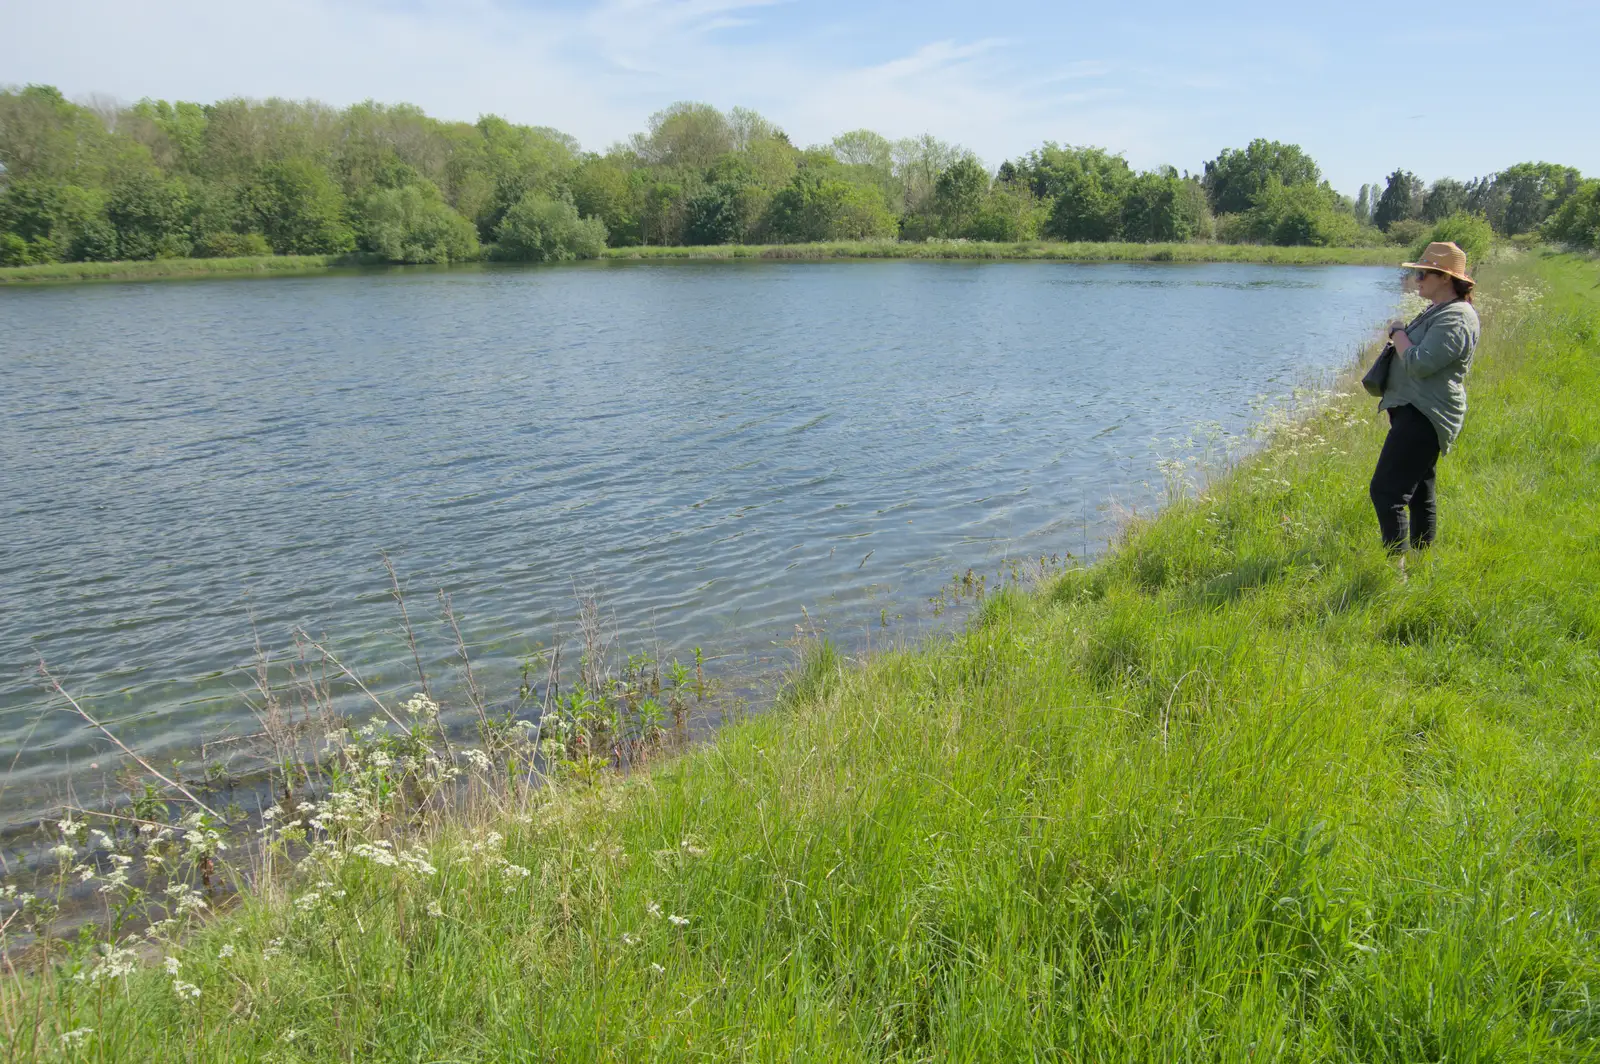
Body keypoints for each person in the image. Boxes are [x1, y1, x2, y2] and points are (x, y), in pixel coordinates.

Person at [1369, 241, 1481, 554]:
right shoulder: (1439, 310)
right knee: (1419, 492)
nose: (1417, 280)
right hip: (1415, 411)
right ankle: (1421, 560)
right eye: (1417, 275)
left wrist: (1397, 332)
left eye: (1424, 275)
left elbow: (1418, 363)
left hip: (1426, 414)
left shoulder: (1456, 317)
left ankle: (1397, 570)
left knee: (1386, 491)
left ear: (1446, 278)